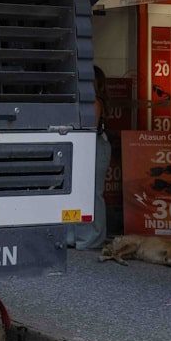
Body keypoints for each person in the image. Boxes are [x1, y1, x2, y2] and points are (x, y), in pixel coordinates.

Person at [76, 66, 109, 251]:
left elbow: (90, 129)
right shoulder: (90, 102)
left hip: (95, 146)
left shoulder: (95, 103)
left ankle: (93, 237)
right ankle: (80, 235)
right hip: (89, 146)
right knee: (82, 192)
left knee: (94, 193)